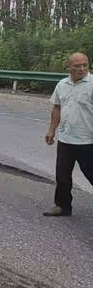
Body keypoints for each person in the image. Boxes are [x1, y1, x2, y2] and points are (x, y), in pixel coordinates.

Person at [44, 52, 93, 216]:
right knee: (62, 176)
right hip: (66, 140)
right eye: (77, 66)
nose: (82, 69)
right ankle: (63, 206)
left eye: (85, 65)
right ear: (68, 67)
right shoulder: (62, 84)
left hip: (88, 141)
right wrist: (52, 130)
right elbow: (57, 108)